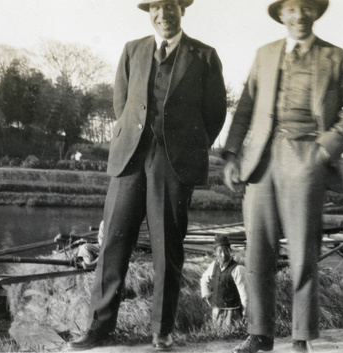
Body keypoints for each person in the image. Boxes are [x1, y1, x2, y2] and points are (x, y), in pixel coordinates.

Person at [66, 0, 226, 350]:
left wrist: (185, 148)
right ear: (149, 12)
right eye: (156, 6)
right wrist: (133, 138)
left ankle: (161, 331)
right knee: (113, 243)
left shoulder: (205, 56)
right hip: (130, 159)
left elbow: (214, 115)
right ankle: (99, 328)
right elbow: (121, 104)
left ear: (182, 10)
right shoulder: (132, 50)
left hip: (173, 163)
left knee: (167, 248)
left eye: (170, 6)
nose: (163, 14)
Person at [222, 0, 343, 351]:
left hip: (305, 157)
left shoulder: (337, 58)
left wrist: (322, 152)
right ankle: (259, 333)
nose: (299, 16)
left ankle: (300, 338)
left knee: (302, 252)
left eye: (306, 8)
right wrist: (231, 155)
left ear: (316, 13)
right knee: (257, 250)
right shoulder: (265, 54)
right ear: (281, 15)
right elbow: (246, 105)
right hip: (261, 160)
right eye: (292, 9)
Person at [200, 235, 248, 330]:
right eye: (220, 252)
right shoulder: (214, 266)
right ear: (215, 253)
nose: (223, 254)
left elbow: (245, 296)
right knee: (217, 336)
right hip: (217, 312)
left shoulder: (238, 269)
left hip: (232, 313)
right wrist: (207, 296)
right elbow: (204, 280)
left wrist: (245, 314)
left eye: (226, 251)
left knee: (232, 336)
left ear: (230, 251)